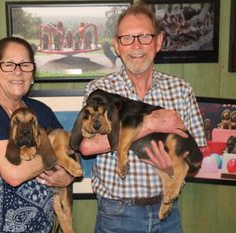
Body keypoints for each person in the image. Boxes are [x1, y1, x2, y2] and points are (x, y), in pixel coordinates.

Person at [79, 4, 206, 233]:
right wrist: (149, 124)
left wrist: (174, 169)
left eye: (145, 37)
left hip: (167, 213)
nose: (136, 45)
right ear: (117, 45)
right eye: (127, 38)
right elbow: (87, 146)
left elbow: (198, 157)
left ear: (158, 42)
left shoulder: (181, 89)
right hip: (116, 214)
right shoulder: (100, 89)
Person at [0, 37, 74, 233]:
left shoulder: (41, 111)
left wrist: (67, 175)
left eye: (25, 65)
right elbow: (14, 174)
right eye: (8, 64)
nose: (18, 71)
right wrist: (55, 151)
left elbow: (72, 150)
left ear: (32, 74)